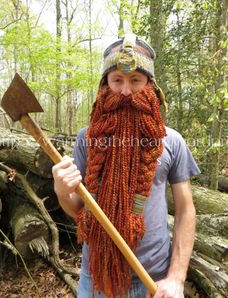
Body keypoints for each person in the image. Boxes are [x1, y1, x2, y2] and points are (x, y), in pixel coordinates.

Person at [52, 34, 200, 298]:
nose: (126, 92)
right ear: (104, 86)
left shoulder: (172, 141)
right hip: (95, 279)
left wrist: (176, 278)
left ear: (151, 87)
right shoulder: (87, 139)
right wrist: (63, 191)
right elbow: (78, 209)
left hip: (153, 283)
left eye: (136, 81)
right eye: (117, 80)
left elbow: (186, 210)